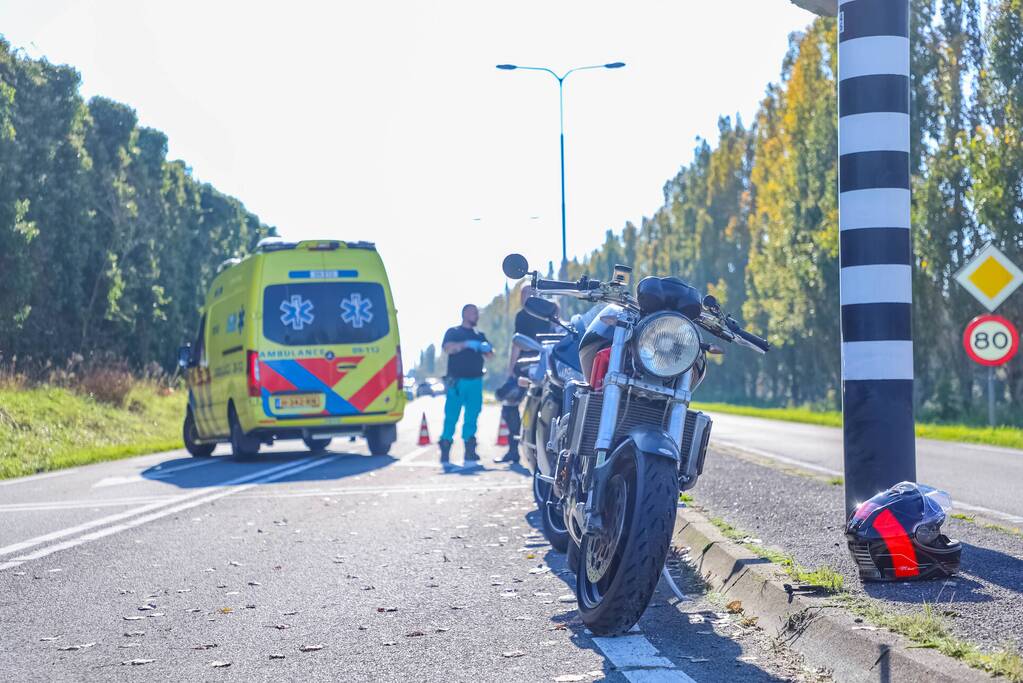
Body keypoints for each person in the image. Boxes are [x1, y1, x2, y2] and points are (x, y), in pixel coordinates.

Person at [494, 286, 551, 465]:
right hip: (539, 365)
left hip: (532, 365)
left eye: (529, 294)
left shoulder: (526, 314)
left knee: (515, 406)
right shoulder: (547, 312)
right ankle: (518, 450)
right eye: (525, 294)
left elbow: (517, 343)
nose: (526, 298)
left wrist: (511, 370)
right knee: (518, 405)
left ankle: (521, 450)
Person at [439, 304, 493, 464]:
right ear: (465, 314)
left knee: (472, 417)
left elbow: (490, 356)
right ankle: (445, 449)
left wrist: (488, 348)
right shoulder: (453, 332)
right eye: (474, 313)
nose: (476, 316)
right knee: (451, 416)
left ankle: (470, 451)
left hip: (475, 381)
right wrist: (466, 344)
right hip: (457, 382)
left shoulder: (480, 335)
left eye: (477, 313)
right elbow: (448, 348)